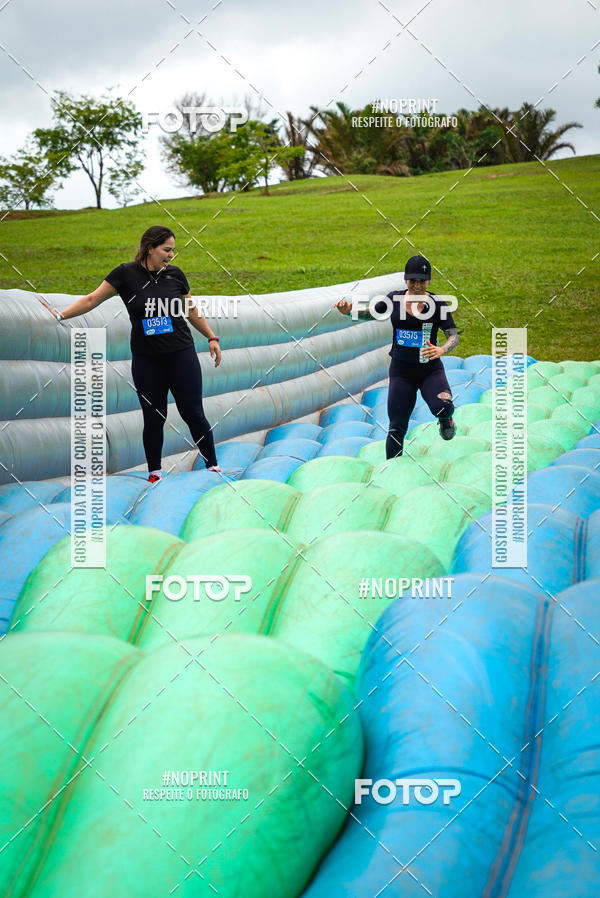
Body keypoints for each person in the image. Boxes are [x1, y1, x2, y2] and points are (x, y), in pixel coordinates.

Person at [39, 225, 222, 481]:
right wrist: (60, 314)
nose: (171, 255)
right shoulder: (126, 274)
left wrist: (211, 337)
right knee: (154, 415)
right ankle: (154, 472)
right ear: (150, 248)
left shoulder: (175, 275)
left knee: (192, 411)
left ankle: (213, 466)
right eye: (166, 250)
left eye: (173, 250)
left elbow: (191, 310)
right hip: (147, 359)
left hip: (181, 353)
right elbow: (93, 299)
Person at [334, 254, 459, 459]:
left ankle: (446, 420)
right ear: (405, 280)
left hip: (430, 370)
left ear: (428, 281)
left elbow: (452, 336)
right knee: (396, 427)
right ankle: (392, 469)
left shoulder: (437, 304)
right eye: (413, 280)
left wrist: (442, 349)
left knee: (442, 408)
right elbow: (372, 313)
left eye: (422, 280)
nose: (417, 285)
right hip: (402, 372)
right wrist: (349, 312)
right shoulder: (395, 299)